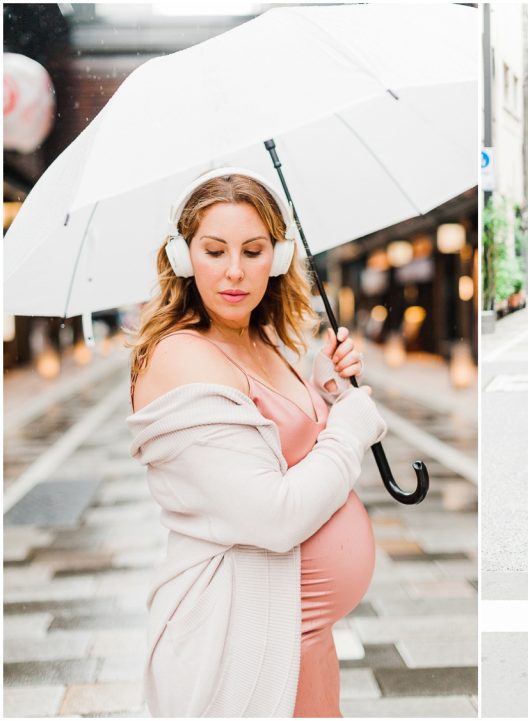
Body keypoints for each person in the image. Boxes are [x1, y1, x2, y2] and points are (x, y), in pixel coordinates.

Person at [127, 167, 387, 717]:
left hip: (298, 638)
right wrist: (350, 430)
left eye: (253, 250)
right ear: (181, 258)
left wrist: (325, 389)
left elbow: (288, 447)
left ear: (281, 256)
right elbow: (274, 514)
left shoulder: (257, 337)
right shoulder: (182, 359)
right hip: (239, 645)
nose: (235, 272)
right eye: (214, 251)